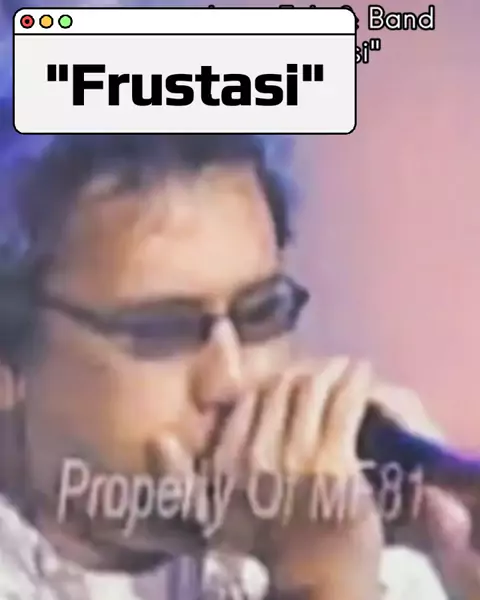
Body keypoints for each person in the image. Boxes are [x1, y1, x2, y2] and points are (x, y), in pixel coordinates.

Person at [0, 132, 478, 600]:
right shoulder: (318, 553)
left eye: (260, 311)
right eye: (162, 328)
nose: (231, 381)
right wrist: (315, 586)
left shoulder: (348, 540)